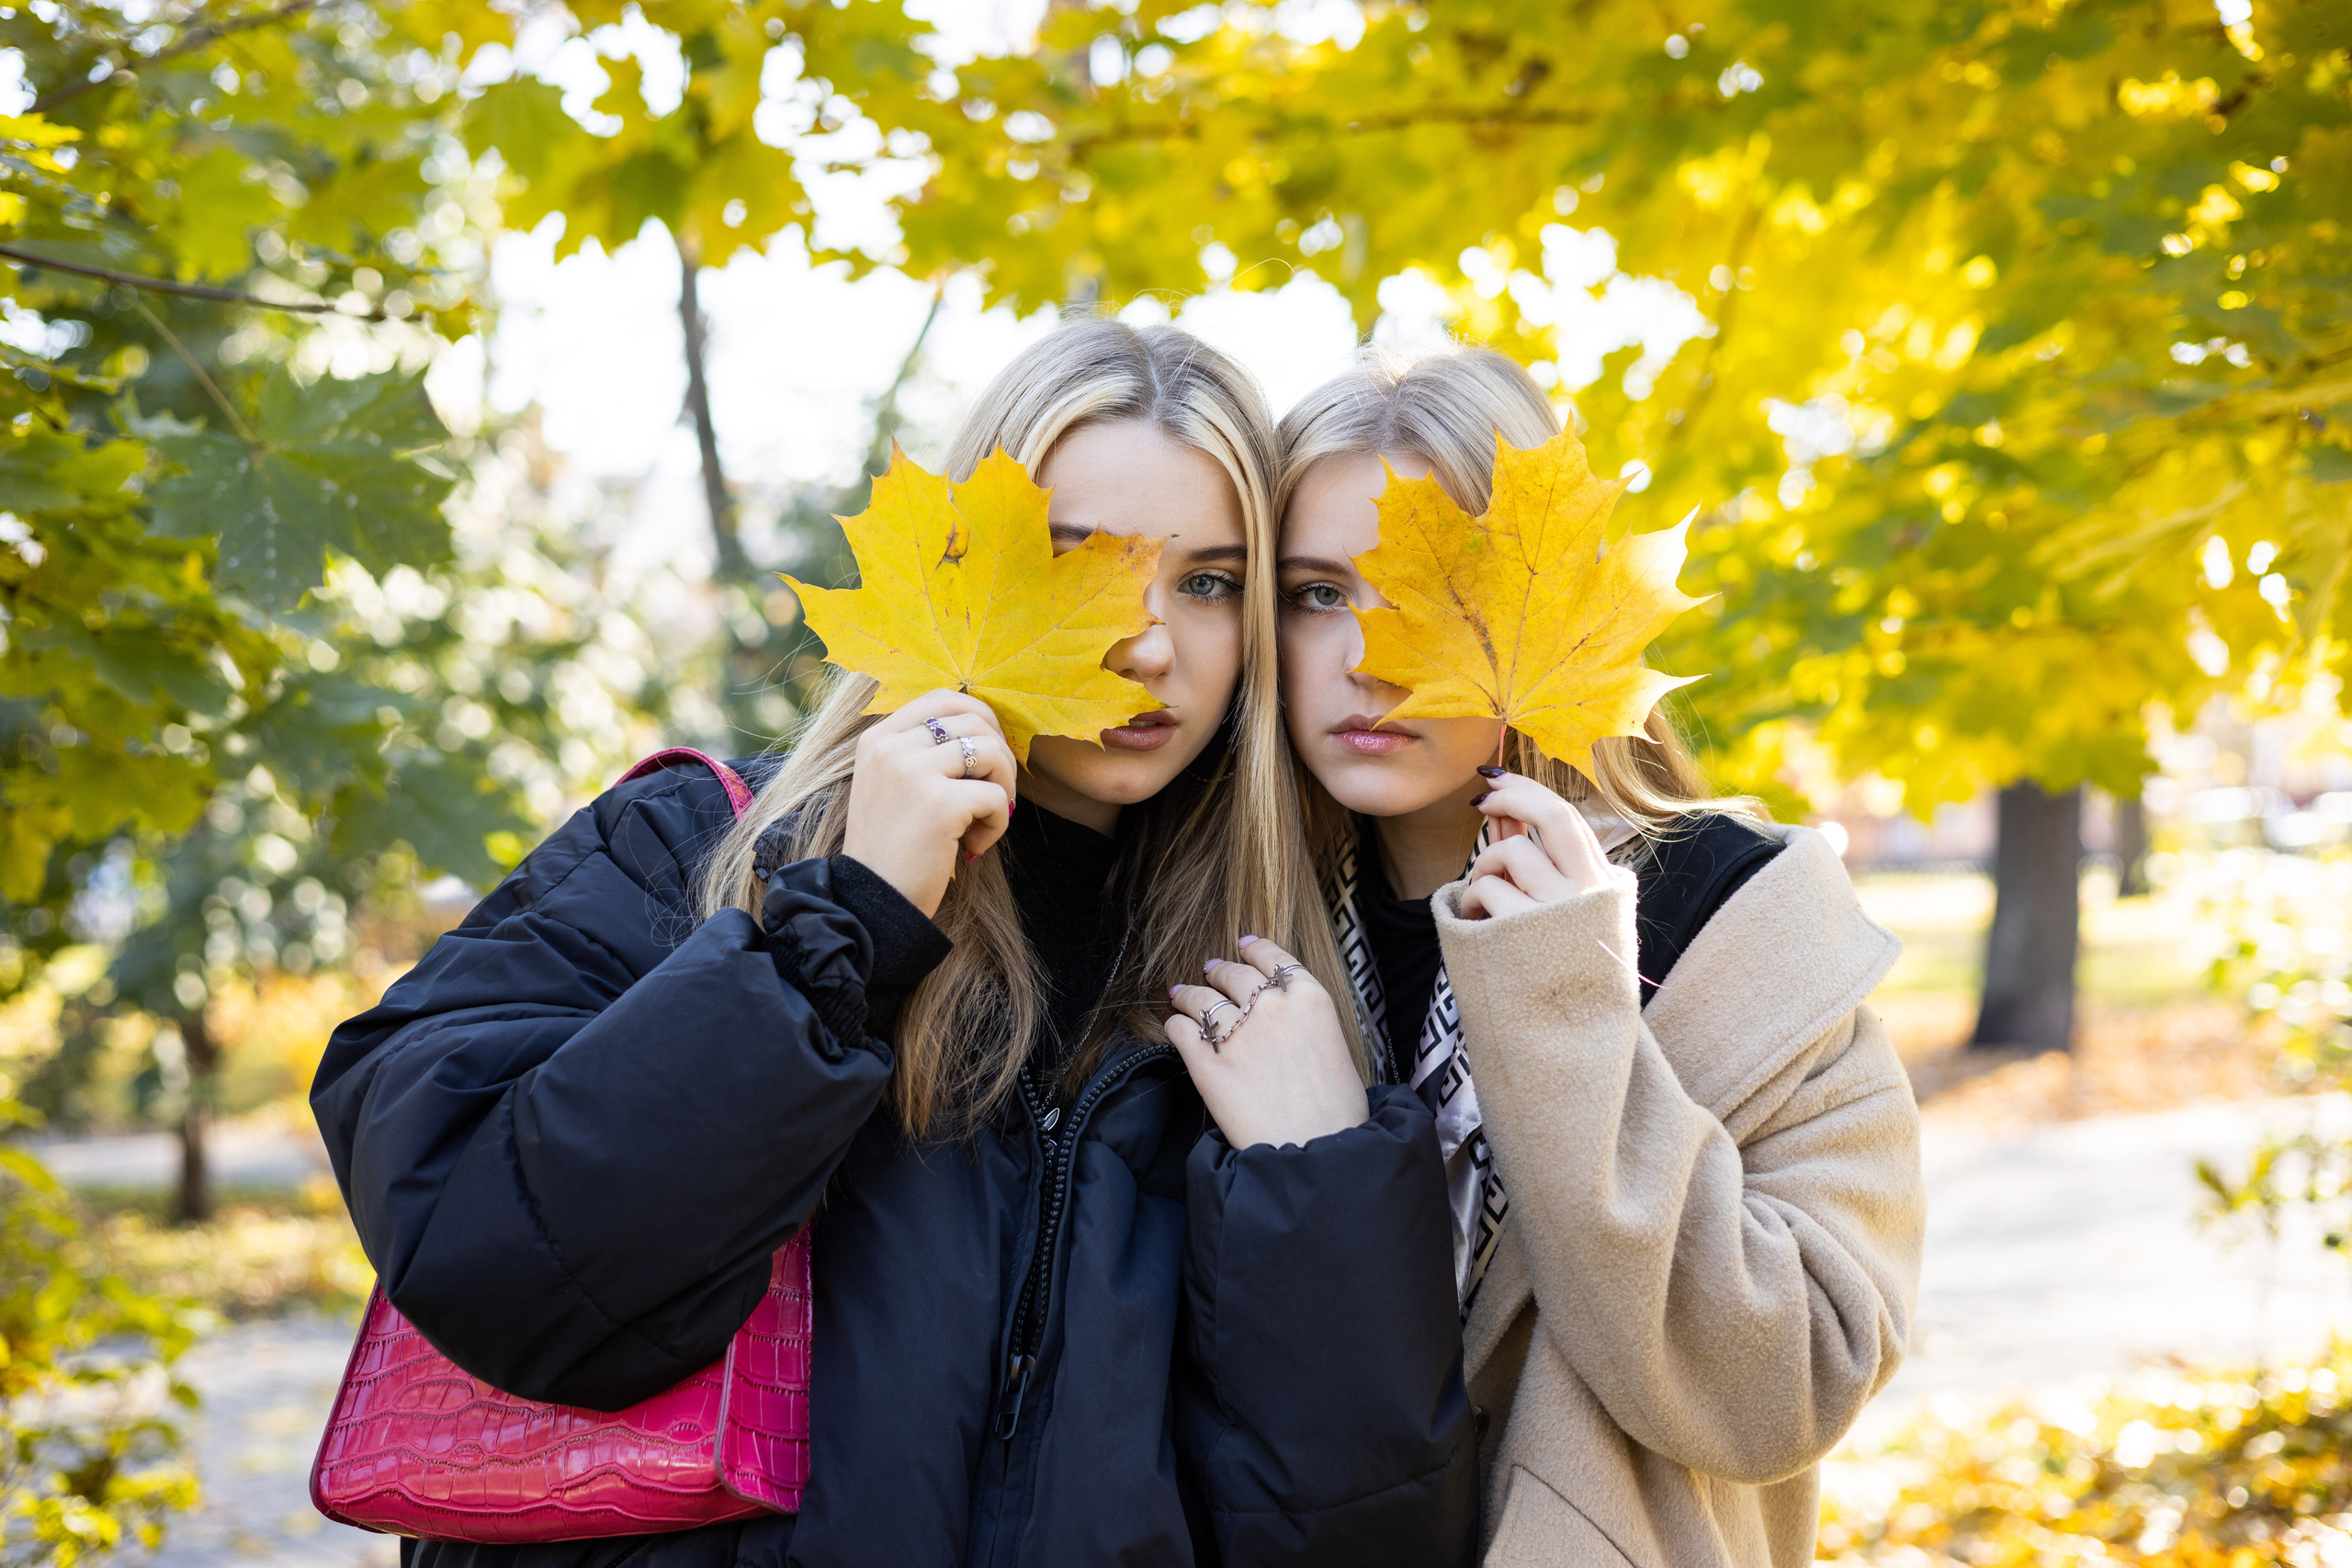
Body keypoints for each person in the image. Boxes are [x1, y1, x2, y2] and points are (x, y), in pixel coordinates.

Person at [311, 319, 1477, 1568]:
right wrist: (839, 931)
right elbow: (492, 1260)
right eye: (1072, 559)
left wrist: (1322, 1181)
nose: (1147, 644)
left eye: (1209, 582)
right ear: (962, 569)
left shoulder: (1276, 985)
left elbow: (1365, 1537)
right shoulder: (700, 848)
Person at [1247, 344, 1927, 1567]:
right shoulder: (1233, 940)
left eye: (1440, 591)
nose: (1370, 656)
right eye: (1314, 594)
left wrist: (1565, 1005)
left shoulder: (1736, 918)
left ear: (1554, 608)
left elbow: (1788, 1389)